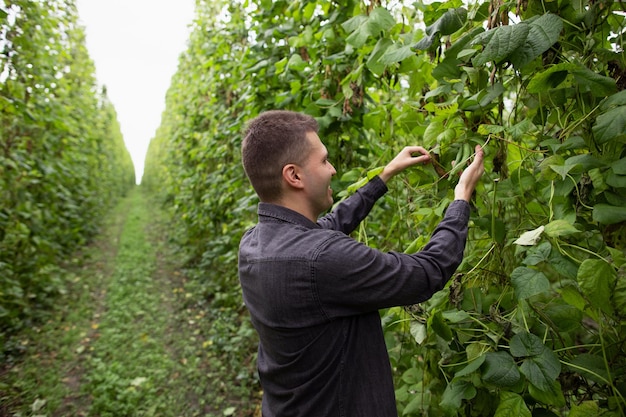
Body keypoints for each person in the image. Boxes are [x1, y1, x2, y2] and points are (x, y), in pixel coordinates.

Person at [238, 110, 484, 417]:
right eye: (324, 160)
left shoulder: (253, 243)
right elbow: (427, 272)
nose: (333, 169)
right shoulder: (323, 259)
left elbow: (327, 226)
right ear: (294, 175)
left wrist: (384, 177)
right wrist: (460, 201)